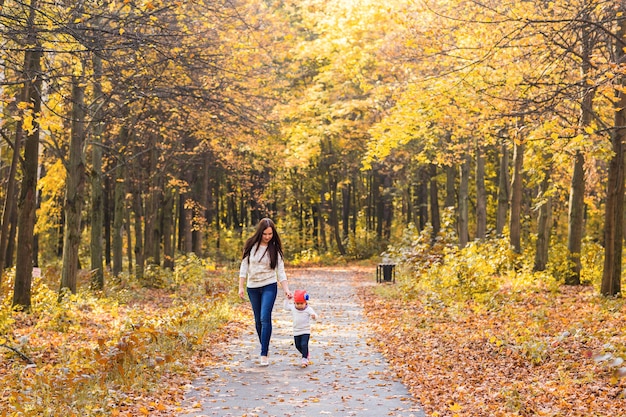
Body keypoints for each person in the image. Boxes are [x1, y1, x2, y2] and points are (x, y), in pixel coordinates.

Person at [238, 218, 292, 366]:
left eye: (270, 234)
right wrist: (241, 287)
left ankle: (264, 352)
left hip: (269, 285)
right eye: (265, 234)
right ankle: (264, 345)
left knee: (264, 317)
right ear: (259, 233)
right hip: (253, 287)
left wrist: (286, 289)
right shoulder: (251, 246)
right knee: (257, 321)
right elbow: (244, 267)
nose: (268, 237)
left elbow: (281, 272)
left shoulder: (275, 249)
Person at [284, 289, 317, 367]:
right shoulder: (293, 308)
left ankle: (304, 359)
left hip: (305, 330)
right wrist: (287, 299)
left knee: (304, 344)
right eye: (297, 303)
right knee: (297, 345)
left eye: (301, 303)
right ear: (294, 302)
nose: (299, 305)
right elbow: (286, 307)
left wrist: (314, 316)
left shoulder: (308, 309)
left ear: (305, 302)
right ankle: (306, 353)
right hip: (296, 331)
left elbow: (315, 315)